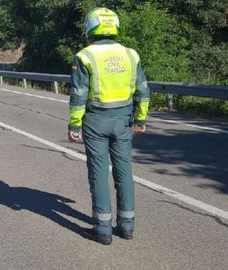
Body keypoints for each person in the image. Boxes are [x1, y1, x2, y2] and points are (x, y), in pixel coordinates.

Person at [68, 7, 150, 245]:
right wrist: (141, 119)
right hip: (124, 120)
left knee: (99, 173)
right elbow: (143, 90)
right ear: (115, 26)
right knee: (124, 171)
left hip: (95, 121)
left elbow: (79, 94)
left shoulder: (85, 56)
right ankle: (126, 226)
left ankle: (102, 229)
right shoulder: (131, 54)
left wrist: (74, 124)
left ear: (90, 27)